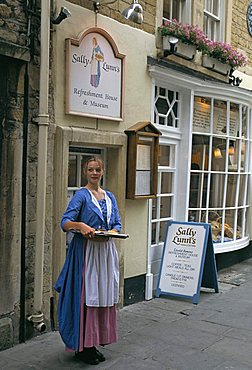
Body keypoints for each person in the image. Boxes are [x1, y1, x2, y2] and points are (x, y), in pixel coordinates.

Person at [54, 157, 121, 365]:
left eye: (97, 169)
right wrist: (81, 225)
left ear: (102, 172)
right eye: (90, 169)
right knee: (86, 295)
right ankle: (83, 346)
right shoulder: (81, 196)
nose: (94, 173)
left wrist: (113, 231)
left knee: (101, 294)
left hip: (105, 252)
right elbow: (65, 222)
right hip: (86, 252)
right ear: (85, 172)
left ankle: (94, 342)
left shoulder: (109, 196)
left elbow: (117, 223)